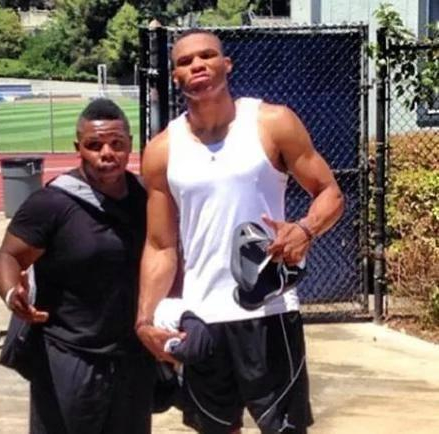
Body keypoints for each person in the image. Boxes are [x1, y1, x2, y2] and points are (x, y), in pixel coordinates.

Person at [136, 29, 345, 434]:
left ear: (226, 64)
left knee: (286, 430)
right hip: (202, 318)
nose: (198, 65)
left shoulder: (272, 122)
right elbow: (160, 246)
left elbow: (330, 193)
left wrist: (305, 229)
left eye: (207, 56)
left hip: (269, 309)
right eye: (185, 62)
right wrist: (145, 319)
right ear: (175, 76)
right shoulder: (162, 150)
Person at [0, 98, 154, 434]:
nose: (107, 153)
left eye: (117, 144)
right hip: (69, 354)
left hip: (131, 353)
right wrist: (11, 293)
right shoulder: (52, 203)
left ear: (130, 145)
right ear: (78, 148)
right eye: (94, 145)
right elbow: (9, 256)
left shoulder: (147, 198)